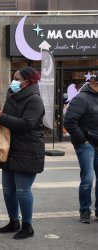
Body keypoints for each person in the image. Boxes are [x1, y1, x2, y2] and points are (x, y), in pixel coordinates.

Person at [0, 66, 45, 240]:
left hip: (27, 150)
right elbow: (7, 121)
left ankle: (27, 225)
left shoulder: (35, 100)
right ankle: (13, 221)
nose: (14, 81)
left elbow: (27, 124)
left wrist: (1, 117)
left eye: (17, 79)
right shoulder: (12, 96)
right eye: (14, 78)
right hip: (9, 148)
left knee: (23, 190)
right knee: (7, 189)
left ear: (27, 81)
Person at [64, 74, 98, 224]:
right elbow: (69, 121)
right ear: (94, 82)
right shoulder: (82, 98)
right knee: (88, 179)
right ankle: (85, 210)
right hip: (86, 144)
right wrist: (83, 140)